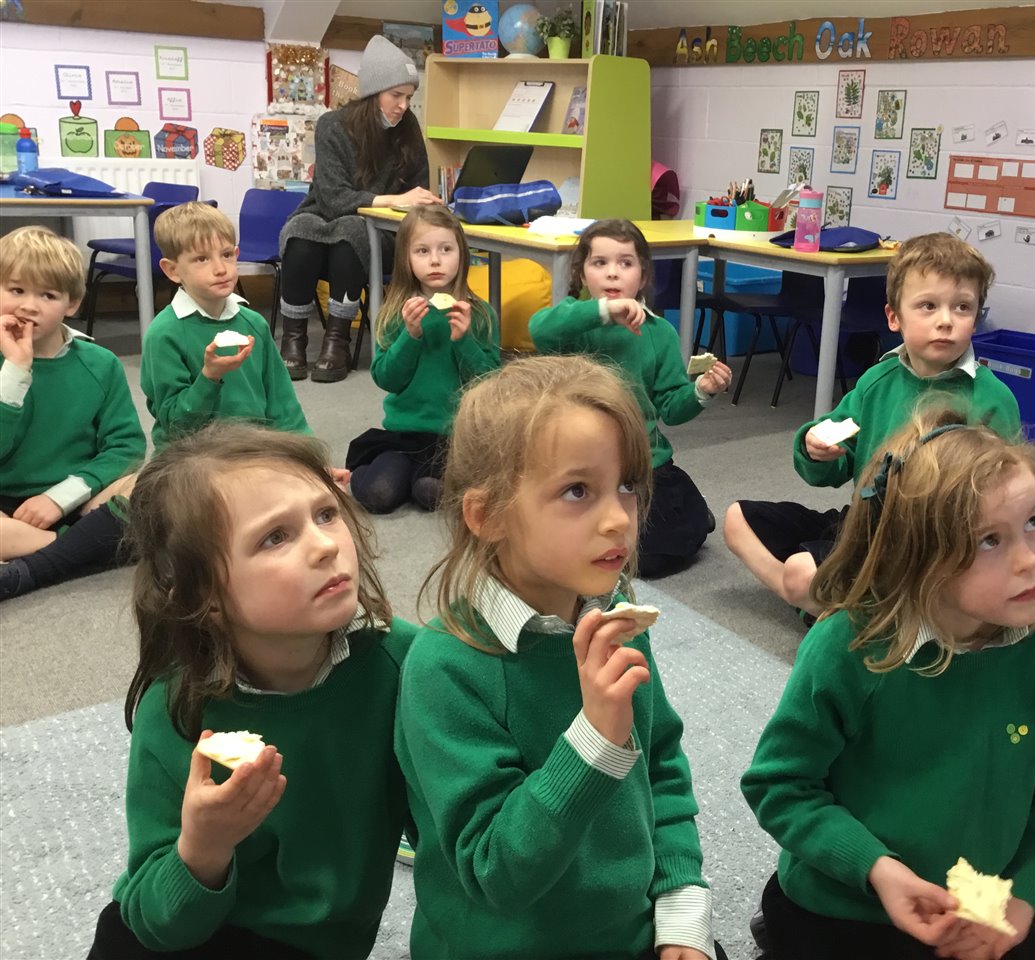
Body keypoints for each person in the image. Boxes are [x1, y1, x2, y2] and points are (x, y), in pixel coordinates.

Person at [741, 408, 1035, 960]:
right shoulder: (849, 647)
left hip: (976, 912)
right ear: (917, 555)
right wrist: (875, 869)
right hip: (842, 902)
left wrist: (1027, 898)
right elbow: (780, 785)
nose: (1032, 560)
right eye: (990, 540)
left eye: (1033, 522)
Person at [395, 355, 726, 960]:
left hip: (629, 934)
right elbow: (494, 872)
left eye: (626, 485)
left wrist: (682, 905)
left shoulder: (616, 621)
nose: (618, 519)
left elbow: (660, 767)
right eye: (578, 491)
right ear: (488, 515)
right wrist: (595, 739)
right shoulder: (444, 669)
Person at [87, 423, 416, 960]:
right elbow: (154, 921)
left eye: (325, 513)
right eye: (275, 537)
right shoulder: (176, 708)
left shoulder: (406, 665)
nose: (325, 546)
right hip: (191, 929)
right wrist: (203, 848)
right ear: (205, 596)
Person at [724, 231, 1021, 618]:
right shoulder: (876, 382)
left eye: (962, 307)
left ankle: (837, 606)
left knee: (801, 573)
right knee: (737, 520)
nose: (946, 321)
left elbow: (1007, 502)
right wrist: (815, 448)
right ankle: (840, 608)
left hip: (932, 549)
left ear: (976, 317)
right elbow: (831, 466)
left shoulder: (993, 399)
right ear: (894, 317)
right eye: (928, 306)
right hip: (863, 525)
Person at [529, 219, 732, 577]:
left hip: (644, 463)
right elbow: (540, 329)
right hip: (583, 462)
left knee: (655, 554)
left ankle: (694, 512)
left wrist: (701, 391)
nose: (612, 273)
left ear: (643, 275)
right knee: (554, 530)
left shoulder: (659, 332)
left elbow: (671, 407)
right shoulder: (575, 323)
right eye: (599, 263)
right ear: (582, 273)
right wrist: (604, 311)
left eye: (625, 263)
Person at [277, 34, 440, 384]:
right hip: (322, 214)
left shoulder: (409, 129)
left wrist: (413, 202)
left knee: (353, 232)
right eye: (396, 95)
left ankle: (337, 342)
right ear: (373, 93)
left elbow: (418, 191)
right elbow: (334, 199)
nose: (403, 106)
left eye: (409, 97)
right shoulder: (332, 125)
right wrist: (393, 199)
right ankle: (293, 341)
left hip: (380, 233)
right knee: (299, 232)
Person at [0, 226, 145, 600]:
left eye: (47, 295)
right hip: (5, 505)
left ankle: (31, 562)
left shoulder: (100, 363)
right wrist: (15, 372)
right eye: (16, 290)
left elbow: (126, 447)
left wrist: (60, 497)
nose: (29, 305)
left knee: (149, 487)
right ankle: (78, 550)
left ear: (72, 304)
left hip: (79, 497)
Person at [346, 204, 498, 514]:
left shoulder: (479, 314)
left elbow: (491, 383)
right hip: (403, 435)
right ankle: (361, 472)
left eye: (446, 249)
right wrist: (410, 336)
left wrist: (463, 341)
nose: (435, 260)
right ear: (406, 258)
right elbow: (386, 378)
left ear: (463, 254)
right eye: (422, 251)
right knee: (378, 494)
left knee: (431, 491)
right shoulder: (396, 313)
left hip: (454, 437)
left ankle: (422, 479)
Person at [141, 202, 312, 452]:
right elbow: (176, 425)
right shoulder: (164, 334)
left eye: (227, 255)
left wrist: (307, 456)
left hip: (252, 450)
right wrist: (209, 377)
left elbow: (283, 403)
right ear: (173, 270)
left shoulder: (254, 323)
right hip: (191, 457)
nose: (221, 269)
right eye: (202, 259)